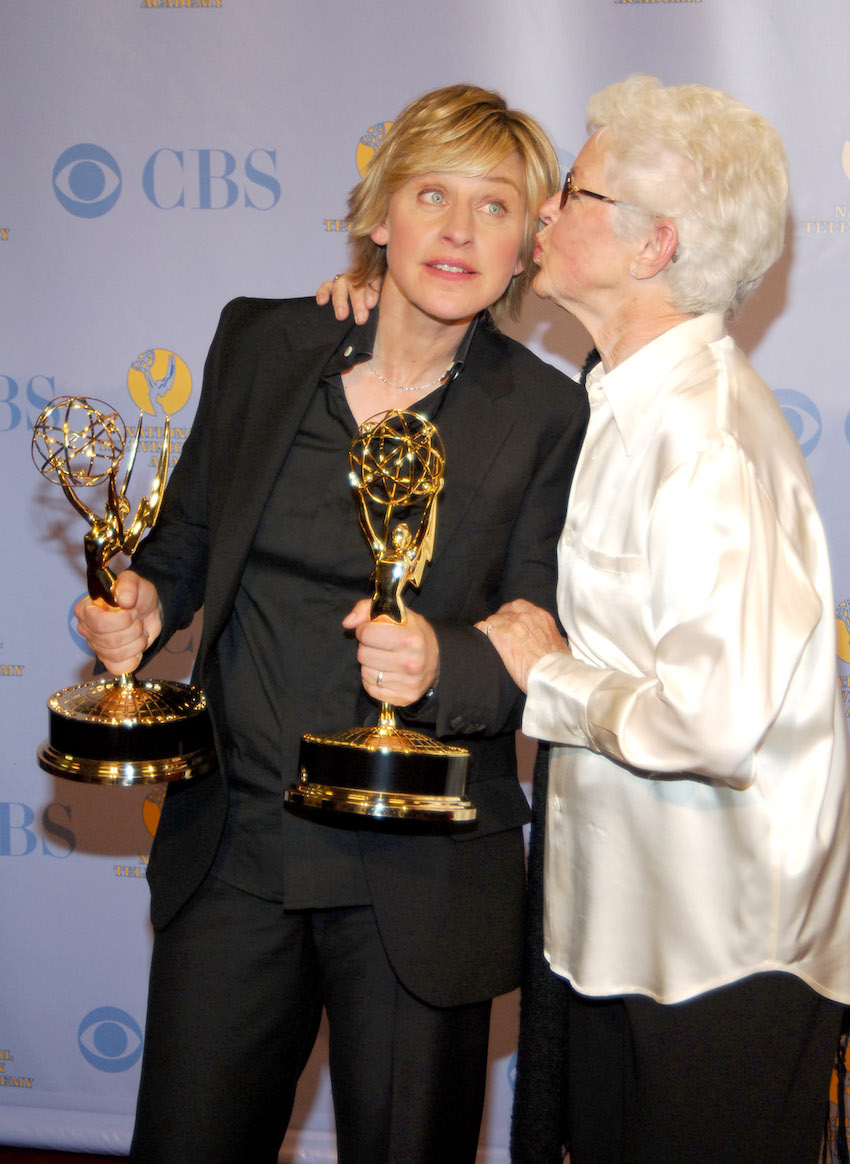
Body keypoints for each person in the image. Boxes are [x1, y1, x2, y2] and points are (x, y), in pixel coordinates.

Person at [74, 83, 587, 1164]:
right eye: (431, 194)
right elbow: (183, 540)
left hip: (418, 876)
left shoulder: (547, 413)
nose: (457, 230)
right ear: (376, 215)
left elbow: (542, 630)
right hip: (236, 856)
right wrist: (141, 608)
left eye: (494, 207)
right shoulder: (263, 343)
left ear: (527, 246)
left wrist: (438, 659)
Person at [472, 75, 850, 1163]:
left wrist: (547, 676)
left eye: (573, 193)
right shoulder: (624, 395)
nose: (541, 211)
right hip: (628, 929)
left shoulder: (707, 444)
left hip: (722, 950)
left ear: (653, 246)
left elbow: (711, 724)